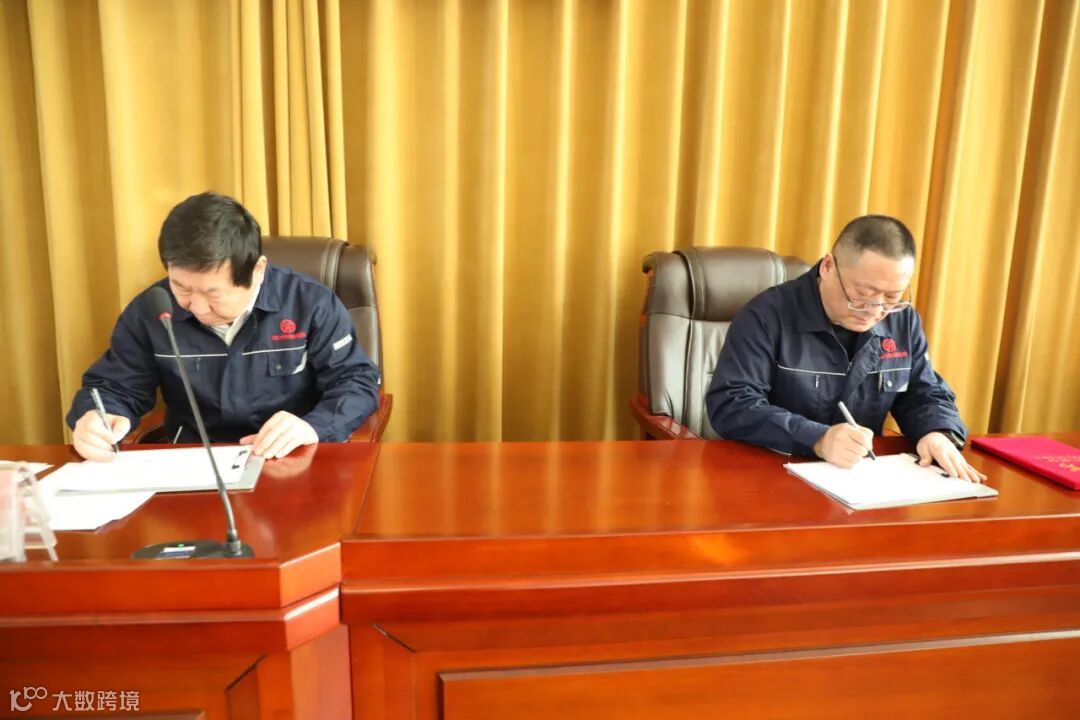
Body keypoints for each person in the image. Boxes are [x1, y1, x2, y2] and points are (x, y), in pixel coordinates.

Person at [67, 191, 381, 461]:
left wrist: (313, 426)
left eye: (212, 293)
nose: (196, 307)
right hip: (193, 462)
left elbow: (355, 381)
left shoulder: (309, 303)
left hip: (289, 459)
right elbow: (115, 386)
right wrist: (97, 417)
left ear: (257, 271)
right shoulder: (152, 310)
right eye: (182, 288)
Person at [705, 214, 985, 482]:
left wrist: (937, 431)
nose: (875, 309)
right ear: (828, 267)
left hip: (858, 481)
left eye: (892, 296)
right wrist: (817, 438)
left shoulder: (902, 320)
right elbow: (732, 404)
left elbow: (923, 392)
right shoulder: (767, 316)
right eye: (862, 294)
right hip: (771, 475)